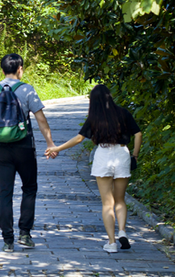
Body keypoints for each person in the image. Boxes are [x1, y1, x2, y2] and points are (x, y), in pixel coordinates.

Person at [46, 84, 141, 254]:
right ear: (110, 97)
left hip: (103, 154)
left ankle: (111, 243)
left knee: (107, 203)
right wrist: (135, 155)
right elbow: (138, 134)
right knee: (120, 199)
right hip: (122, 154)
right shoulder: (123, 113)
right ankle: (122, 231)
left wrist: (57, 149)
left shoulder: (94, 118)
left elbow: (79, 139)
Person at [0, 54, 56, 252]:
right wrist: (50, 143)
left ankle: (7, 240)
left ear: (2, 69)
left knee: (4, 192)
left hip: (0, 148)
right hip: (24, 147)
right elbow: (41, 119)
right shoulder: (27, 90)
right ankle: (25, 234)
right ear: (20, 68)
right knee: (29, 188)